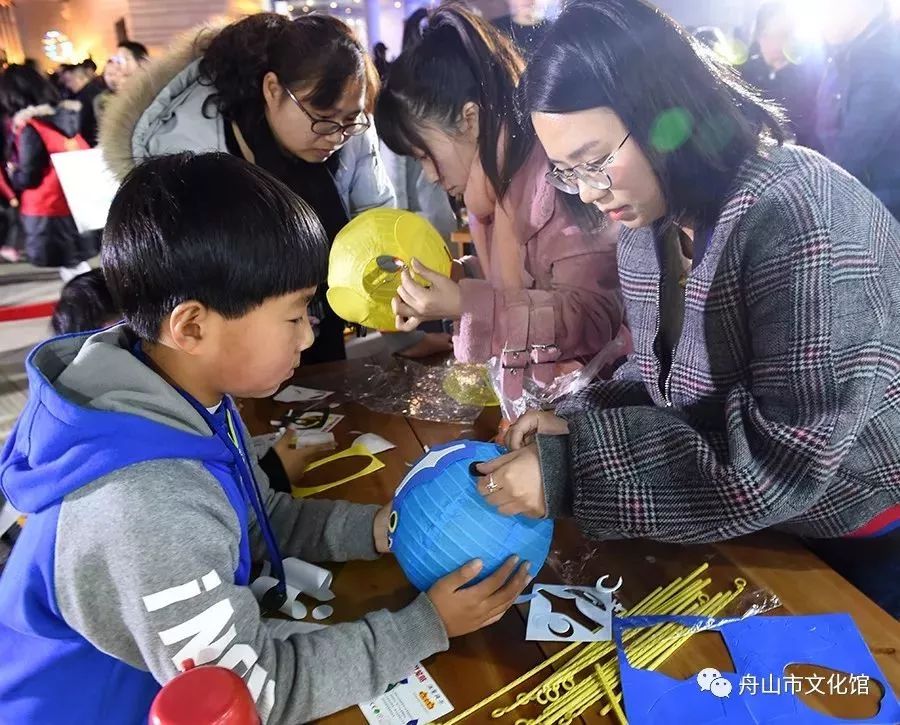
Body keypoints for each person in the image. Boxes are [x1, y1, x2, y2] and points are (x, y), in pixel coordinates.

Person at [0, 152, 530, 722]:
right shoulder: (144, 505)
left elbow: (255, 519)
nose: (309, 337)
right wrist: (425, 627)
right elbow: (252, 689)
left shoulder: (176, 393)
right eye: (295, 315)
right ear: (193, 326)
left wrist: (377, 529)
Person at [475, 0, 900, 616]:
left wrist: (569, 468)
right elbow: (664, 377)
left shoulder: (802, 218)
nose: (591, 193)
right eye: (567, 174)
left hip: (864, 525)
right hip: (768, 523)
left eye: (596, 161)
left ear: (659, 111)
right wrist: (572, 415)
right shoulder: (652, 220)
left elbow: (780, 456)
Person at [101, 13, 396, 364]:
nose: (336, 135)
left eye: (350, 120)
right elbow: (185, 276)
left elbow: (375, 219)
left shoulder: (351, 135)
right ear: (273, 90)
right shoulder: (187, 150)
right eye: (322, 116)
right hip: (229, 339)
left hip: (321, 322)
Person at [376, 4, 626, 410]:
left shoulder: (559, 182)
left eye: (425, 154)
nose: (428, 175)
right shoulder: (496, 194)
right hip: (538, 408)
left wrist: (464, 304)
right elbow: (519, 283)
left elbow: (596, 317)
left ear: (470, 119)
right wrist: (455, 277)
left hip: (593, 414)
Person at [0, 64, 91, 280]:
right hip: (74, 202)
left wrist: (15, 175)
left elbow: (29, 175)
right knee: (77, 262)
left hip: (47, 208)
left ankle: (89, 306)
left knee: (72, 269)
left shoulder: (31, 127)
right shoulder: (65, 117)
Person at [814, 0, 900, 220]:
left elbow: (854, 149)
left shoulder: (884, 59)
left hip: (881, 210)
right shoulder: (842, 58)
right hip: (856, 199)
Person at [739, 1, 822, 149]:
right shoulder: (745, 72)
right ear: (758, 37)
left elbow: (813, 130)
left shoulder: (810, 75)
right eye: (767, 35)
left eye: (782, 35)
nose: (775, 43)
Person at [59, 60, 104, 145]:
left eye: (70, 80)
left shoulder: (85, 97)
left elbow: (83, 124)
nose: (68, 85)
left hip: (93, 142)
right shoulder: (93, 90)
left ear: (80, 78)